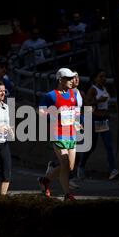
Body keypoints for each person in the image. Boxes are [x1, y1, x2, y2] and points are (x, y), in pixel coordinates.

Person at [37, 68, 79, 201]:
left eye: (72, 78)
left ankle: (45, 180)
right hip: (58, 134)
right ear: (60, 80)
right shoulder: (51, 95)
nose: (72, 80)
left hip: (71, 134)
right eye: (68, 78)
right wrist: (55, 114)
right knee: (65, 162)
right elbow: (41, 112)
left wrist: (78, 122)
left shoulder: (73, 94)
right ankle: (67, 194)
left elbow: (76, 111)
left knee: (69, 166)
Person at [77, 69, 119, 181]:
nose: (104, 79)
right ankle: (81, 166)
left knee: (109, 146)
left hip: (104, 120)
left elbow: (106, 103)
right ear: (95, 78)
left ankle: (112, 170)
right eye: (101, 76)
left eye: (105, 76)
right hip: (95, 120)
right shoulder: (93, 89)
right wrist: (98, 100)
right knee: (91, 146)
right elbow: (87, 103)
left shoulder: (104, 88)